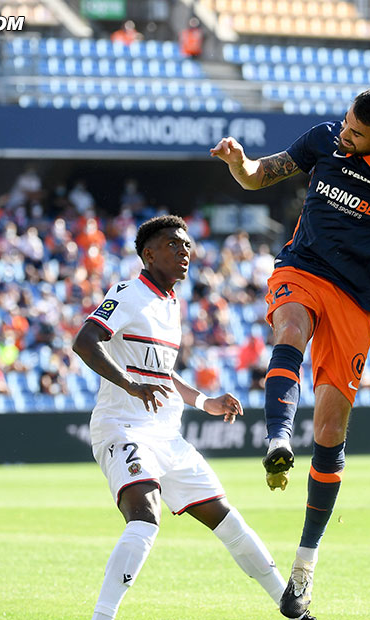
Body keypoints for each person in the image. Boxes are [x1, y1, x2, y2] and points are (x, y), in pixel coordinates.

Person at [211, 86, 370, 619]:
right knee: (287, 328)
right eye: (347, 124)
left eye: (357, 132)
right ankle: (279, 436)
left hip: (355, 301)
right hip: (301, 270)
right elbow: (262, 174)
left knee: (331, 432)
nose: (344, 133)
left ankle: (303, 570)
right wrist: (241, 164)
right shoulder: (325, 137)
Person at [71, 215, 309, 620]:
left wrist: (205, 402)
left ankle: (296, 612)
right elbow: (84, 342)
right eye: (173, 245)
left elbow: (162, 373)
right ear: (148, 254)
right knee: (145, 518)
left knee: (228, 520)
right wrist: (130, 385)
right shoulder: (128, 293)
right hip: (123, 426)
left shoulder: (171, 303)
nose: (185, 252)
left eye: (186, 245)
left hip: (167, 434)